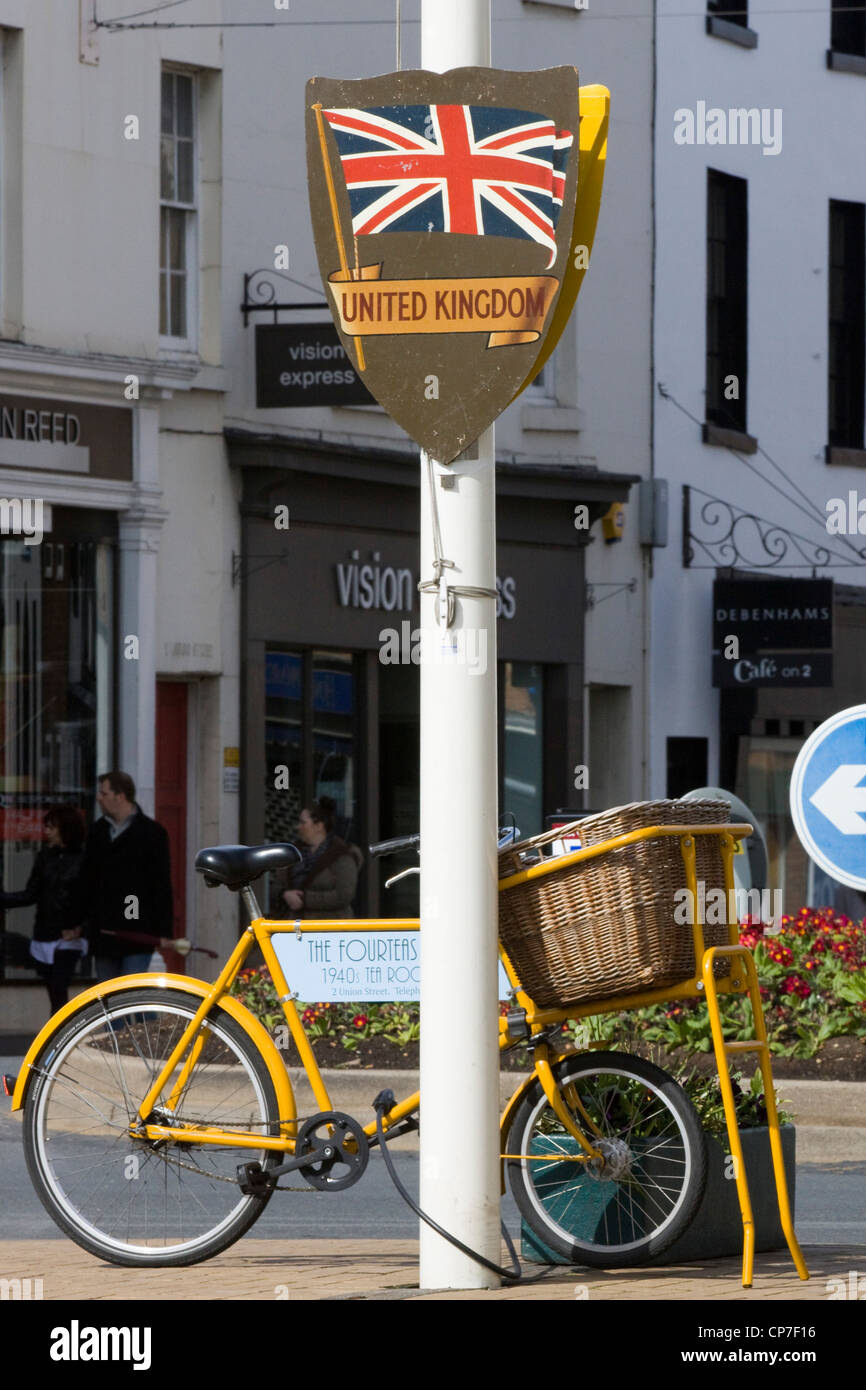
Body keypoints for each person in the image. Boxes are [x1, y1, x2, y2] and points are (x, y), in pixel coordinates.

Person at [72, 771, 175, 980]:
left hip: (137, 931)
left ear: (119, 796)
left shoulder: (152, 833)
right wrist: (75, 921)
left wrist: (163, 932)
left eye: (104, 793)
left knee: (130, 991)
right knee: (108, 995)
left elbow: (161, 884)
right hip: (104, 932)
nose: (99, 798)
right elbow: (86, 880)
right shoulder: (97, 832)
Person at [0, 805, 86, 1015]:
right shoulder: (44, 857)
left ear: (64, 829)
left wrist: (81, 927)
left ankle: (60, 1036)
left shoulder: (85, 859)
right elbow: (31, 894)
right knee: (53, 989)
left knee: (59, 985)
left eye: (51, 827)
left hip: (70, 937)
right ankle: (59, 1034)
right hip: (44, 932)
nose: (46, 831)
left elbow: (93, 899)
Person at [280, 796, 362, 919]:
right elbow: (277, 884)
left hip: (330, 928)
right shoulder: (293, 852)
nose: (298, 827)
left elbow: (344, 895)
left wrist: (305, 899)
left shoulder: (341, 854)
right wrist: (284, 895)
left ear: (319, 826)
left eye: (303, 823)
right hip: (295, 927)